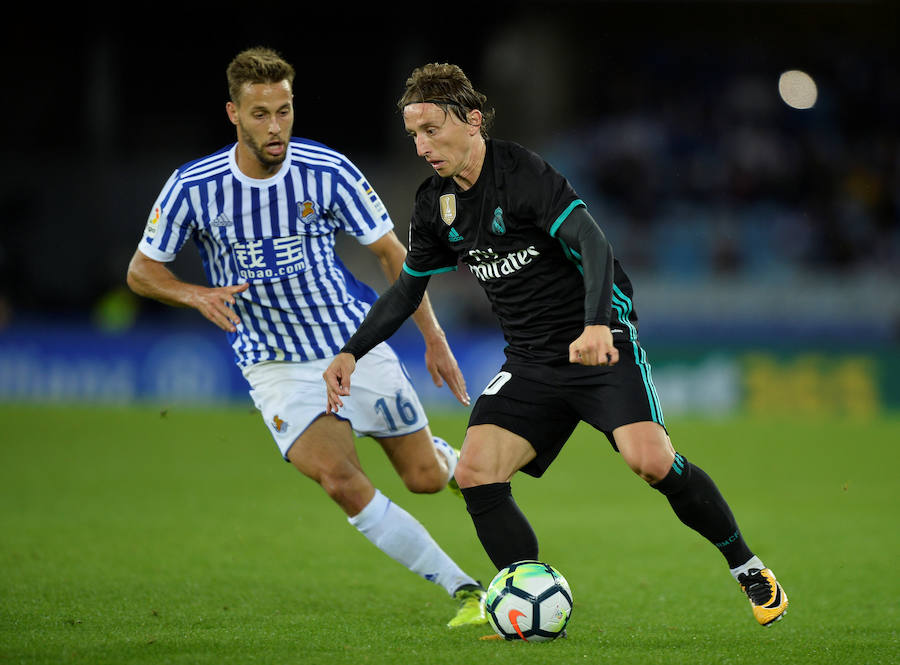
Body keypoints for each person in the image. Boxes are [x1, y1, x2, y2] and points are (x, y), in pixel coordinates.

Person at [323, 62, 789, 627]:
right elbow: (407, 289)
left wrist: (596, 324)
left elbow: (592, 242)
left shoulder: (519, 172)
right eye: (413, 136)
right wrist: (352, 350)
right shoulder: (435, 205)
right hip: (531, 359)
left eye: (431, 130)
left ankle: (746, 566)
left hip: (599, 342)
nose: (422, 147)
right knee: (474, 472)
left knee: (651, 461)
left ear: (472, 122)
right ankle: (524, 600)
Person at [125, 48, 489, 629]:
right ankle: (466, 590)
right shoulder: (193, 187)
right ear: (233, 114)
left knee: (423, 479)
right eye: (262, 113)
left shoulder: (329, 171)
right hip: (273, 364)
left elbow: (395, 257)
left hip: (351, 344)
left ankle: (443, 458)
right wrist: (195, 294)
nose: (276, 126)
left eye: (285, 111)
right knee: (340, 480)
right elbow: (142, 272)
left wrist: (434, 340)